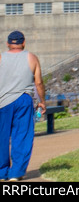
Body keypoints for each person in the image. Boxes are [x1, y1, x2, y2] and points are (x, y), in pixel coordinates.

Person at [0, 31, 44, 181]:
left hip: (2, 101)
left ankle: (2, 171)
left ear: (7, 43)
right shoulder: (31, 58)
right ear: (23, 42)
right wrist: (42, 101)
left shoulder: (0, 57)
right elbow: (38, 83)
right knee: (22, 135)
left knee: (2, 137)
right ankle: (16, 172)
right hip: (23, 99)